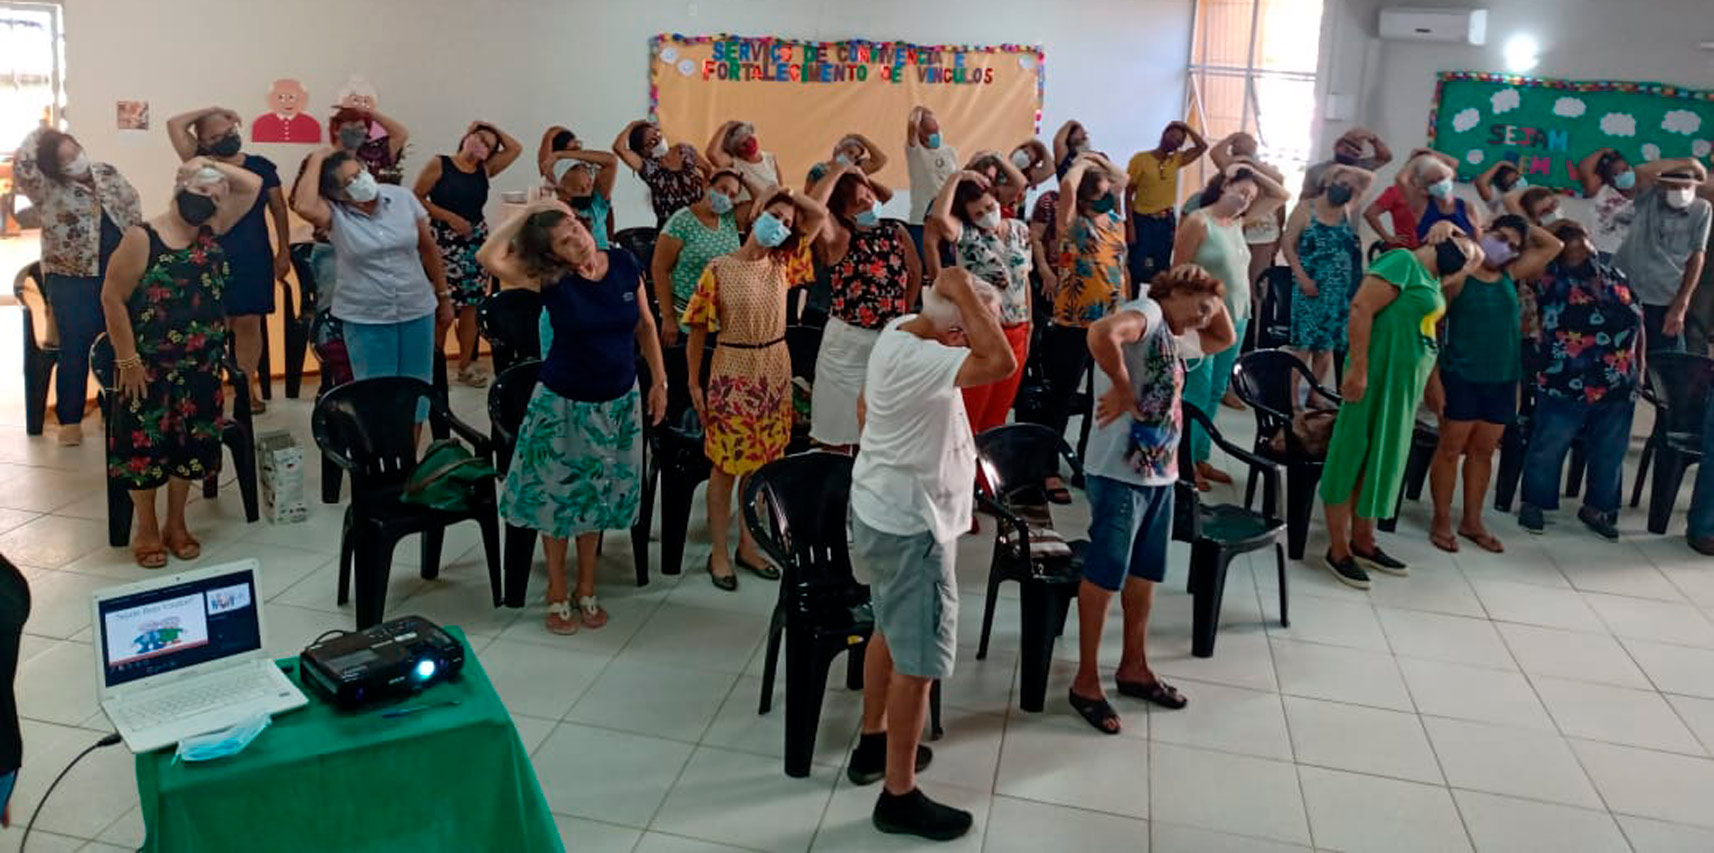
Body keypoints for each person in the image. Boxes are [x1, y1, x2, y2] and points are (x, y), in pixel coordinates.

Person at [846, 268, 1013, 841]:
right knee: (917, 664)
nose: (975, 340)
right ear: (955, 330)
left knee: (889, 630)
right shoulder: (927, 357)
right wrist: (966, 293)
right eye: (970, 329)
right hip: (911, 526)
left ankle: (873, 741)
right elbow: (1003, 362)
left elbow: (866, 409)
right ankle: (898, 796)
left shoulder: (901, 330)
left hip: (882, 507)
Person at [477, 200, 668, 634]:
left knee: (597, 499)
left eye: (577, 231)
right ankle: (557, 590)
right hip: (564, 404)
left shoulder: (622, 262)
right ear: (552, 254)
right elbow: (487, 257)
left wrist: (659, 381)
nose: (577, 241)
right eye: (564, 241)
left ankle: (587, 587)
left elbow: (645, 326)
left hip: (619, 401)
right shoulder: (550, 279)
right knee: (558, 500)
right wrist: (532, 211)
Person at [1069, 264, 1233, 735]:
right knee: (1104, 576)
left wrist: (1211, 293)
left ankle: (1133, 667)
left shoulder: (1176, 332)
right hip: (1119, 474)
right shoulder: (1147, 315)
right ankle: (1084, 682)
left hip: (1158, 475)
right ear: (1174, 293)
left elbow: (1220, 336)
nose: (1204, 319)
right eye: (1199, 307)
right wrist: (1123, 388)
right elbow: (1101, 333)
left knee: (1144, 576)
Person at [100, 157, 262, 567]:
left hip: (201, 364)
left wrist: (211, 166)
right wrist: (128, 360)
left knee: (190, 445)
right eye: (201, 189)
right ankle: (147, 527)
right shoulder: (142, 237)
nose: (206, 200)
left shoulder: (212, 232)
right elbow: (112, 298)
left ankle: (176, 522)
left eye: (215, 196)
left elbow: (254, 185)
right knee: (145, 446)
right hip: (148, 366)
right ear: (180, 184)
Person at [1318, 223, 1478, 588]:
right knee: (1351, 456)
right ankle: (1338, 549)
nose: (1467, 256)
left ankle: (1364, 539)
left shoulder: (1435, 276)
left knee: (1382, 459)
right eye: (1461, 248)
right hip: (1375, 377)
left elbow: (1427, 328)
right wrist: (1358, 368)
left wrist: (1432, 383)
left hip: (1405, 386)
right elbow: (1360, 308)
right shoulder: (1402, 262)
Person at [683, 186, 828, 590]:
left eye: (785, 224)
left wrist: (792, 197)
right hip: (733, 368)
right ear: (755, 214)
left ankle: (749, 542)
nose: (779, 226)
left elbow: (818, 218)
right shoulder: (719, 268)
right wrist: (693, 381)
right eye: (774, 217)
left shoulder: (784, 263)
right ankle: (719, 552)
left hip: (774, 369)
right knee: (725, 465)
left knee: (761, 464)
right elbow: (696, 328)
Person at [1425, 214, 1560, 553]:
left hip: (1502, 378)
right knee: (1451, 448)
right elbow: (1431, 328)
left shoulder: (1510, 276)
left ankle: (1472, 521)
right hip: (1461, 374)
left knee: (1484, 451)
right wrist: (1434, 380)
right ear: (1483, 232)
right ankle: (1441, 520)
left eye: (1513, 246)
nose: (1506, 248)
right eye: (1500, 238)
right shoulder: (1461, 276)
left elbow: (1552, 245)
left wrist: (1521, 220)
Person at [294, 148, 453, 421]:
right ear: (336, 193)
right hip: (366, 316)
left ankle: (407, 459)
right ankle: (381, 458)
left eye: (360, 173)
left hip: (416, 307)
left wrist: (444, 296)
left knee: (417, 393)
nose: (360, 182)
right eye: (349, 181)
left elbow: (428, 248)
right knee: (377, 395)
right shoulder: (334, 214)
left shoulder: (401, 198)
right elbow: (304, 206)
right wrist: (318, 158)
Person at [10, 126, 142, 446]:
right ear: (55, 167)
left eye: (74, 151)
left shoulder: (106, 172)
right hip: (72, 277)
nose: (75, 160)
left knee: (119, 341)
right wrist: (43, 133)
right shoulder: (47, 187)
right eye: (65, 158)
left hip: (117, 271)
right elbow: (22, 165)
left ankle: (115, 407)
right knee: (75, 347)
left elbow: (132, 204)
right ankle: (69, 420)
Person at [1519, 219, 1643, 542]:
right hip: (1565, 379)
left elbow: (1638, 322)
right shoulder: (1547, 279)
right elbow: (1527, 231)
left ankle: (1598, 508)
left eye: (1585, 245)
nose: (1585, 254)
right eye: (1574, 248)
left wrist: (1638, 369)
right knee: (1549, 446)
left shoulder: (1615, 276)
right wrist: (1556, 229)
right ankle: (1535, 503)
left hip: (1617, 382)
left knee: (1610, 452)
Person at [166, 106, 290, 413]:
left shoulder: (261, 166)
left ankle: (246, 389)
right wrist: (213, 110)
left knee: (250, 321)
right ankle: (210, 388)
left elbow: (278, 209)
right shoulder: (200, 164)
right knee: (214, 323)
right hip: (211, 253)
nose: (226, 139)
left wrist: (284, 249)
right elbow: (174, 123)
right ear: (204, 142)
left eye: (229, 132)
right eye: (216, 136)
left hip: (253, 252)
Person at [1173, 163, 1289, 489]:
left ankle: (1200, 456)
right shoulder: (1199, 221)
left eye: (1251, 196)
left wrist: (1251, 170)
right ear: (1224, 185)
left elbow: (1281, 194)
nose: (1245, 200)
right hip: (1202, 319)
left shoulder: (1237, 222)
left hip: (1236, 315)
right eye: (1240, 191)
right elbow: (1177, 271)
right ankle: (1183, 464)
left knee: (1216, 389)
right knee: (1197, 388)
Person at [1035, 153, 1129, 501]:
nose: (1106, 199)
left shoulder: (1114, 222)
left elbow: (1124, 181)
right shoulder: (1073, 226)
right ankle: (1046, 469)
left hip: (1110, 323)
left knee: (1099, 397)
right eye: (1099, 196)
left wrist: (1102, 166)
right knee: (1061, 397)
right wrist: (1080, 165)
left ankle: (1088, 462)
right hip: (1073, 325)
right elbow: (1066, 188)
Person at [810, 163, 920, 451]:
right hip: (845, 344)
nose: (869, 203)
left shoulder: (895, 230)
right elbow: (814, 207)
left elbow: (915, 272)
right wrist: (838, 172)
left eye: (869, 196)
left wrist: (901, 317)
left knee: (877, 430)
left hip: (887, 341)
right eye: (859, 203)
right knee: (836, 431)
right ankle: (834, 490)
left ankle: (864, 492)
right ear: (844, 212)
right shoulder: (839, 237)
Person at [414, 120, 522, 387]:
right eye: (479, 138)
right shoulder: (440, 164)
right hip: (443, 241)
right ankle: (434, 366)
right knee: (443, 305)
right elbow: (417, 196)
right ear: (466, 137)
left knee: (472, 305)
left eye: (488, 145)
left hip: (474, 242)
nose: (481, 145)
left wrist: (489, 126)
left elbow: (515, 148)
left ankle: (465, 365)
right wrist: (448, 217)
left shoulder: (484, 169)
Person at [930, 170, 1034, 435]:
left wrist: (1030, 324)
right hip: (983, 334)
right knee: (970, 412)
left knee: (999, 413)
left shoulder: (1021, 231)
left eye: (989, 207)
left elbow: (1024, 283)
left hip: (1017, 331)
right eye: (978, 213)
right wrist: (956, 176)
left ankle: (988, 473)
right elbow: (941, 216)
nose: (988, 215)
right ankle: (966, 471)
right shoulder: (967, 236)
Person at [1282, 164, 1373, 401]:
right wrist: (1301, 278)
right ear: (1327, 182)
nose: (1346, 190)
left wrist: (1348, 174)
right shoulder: (1305, 209)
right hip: (1309, 286)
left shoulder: (1347, 209)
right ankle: (1291, 396)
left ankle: (1315, 393)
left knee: (1326, 346)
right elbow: (1288, 244)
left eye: (1350, 188)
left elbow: (1369, 178)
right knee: (1303, 345)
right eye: (1342, 184)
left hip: (1339, 291)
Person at [1611, 160, 1710, 353]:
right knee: (1622, 355)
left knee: (1666, 365)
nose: (1680, 192)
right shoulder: (1648, 199)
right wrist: (1689, 162)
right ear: (1662, 186)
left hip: (1666, 297)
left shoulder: (1701, 209)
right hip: (1628, 292)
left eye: (1686, 187)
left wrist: (1681, 304)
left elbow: (1697, 255)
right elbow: (1640, 170)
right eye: (1673, 186)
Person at [652, 170, 756, 345]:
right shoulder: (681, 222)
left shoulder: (730, 218)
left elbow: (765, 201)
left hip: (725, 318)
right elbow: (659, 269)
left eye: (732, 195)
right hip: (689, 318)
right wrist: (668, 318)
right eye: (723, 189)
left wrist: (743, 176)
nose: (726, 197)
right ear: (707, 185)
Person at [1124, 120, 1208, 284]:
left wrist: (1187, 128)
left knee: (1161, 268)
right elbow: (1128, 193)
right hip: (1142, 220)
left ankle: (1158, 305)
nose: (1173, 142)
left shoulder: (1176, 160)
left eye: (1178, 141)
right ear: (1163, 135)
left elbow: (1202, 147)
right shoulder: (1140, 159)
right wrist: (1130, 225)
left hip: (1165, 221)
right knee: (1137, 267)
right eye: (1171, 136)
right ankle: (1132, 304)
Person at [614, 119, 707, 228]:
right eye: (652, 141)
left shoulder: (683, 151)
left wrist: (705, 191)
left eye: (657, 134)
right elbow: (619, 148)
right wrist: (631, 126)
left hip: (700, 222)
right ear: (644, 151)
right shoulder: (651, 168)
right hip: (671, 229)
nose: (659, 140)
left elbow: (708, 169)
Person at [540, 133, 619, 250]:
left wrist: (560, 155)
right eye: (579, 189)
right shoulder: (556, 213)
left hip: (604, 258)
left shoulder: (596, 202)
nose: (587, 191)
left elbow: (611, 160)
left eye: (588, 185)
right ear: (561, 192)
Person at [905, 106, 960, 255]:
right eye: (929, 132)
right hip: (921, 221)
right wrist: (918, 111)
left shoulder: (950, 151)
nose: (935, 134)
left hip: (947, 218)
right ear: (920, 132)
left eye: (936, 130)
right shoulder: (915, 151)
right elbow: (911, 125)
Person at [1577, 147, 1639, 260]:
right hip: (1600, 252)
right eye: (1616, 173)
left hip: (1630, 256)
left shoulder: (1646, 195)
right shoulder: (1601, 191)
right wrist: (1604, 150)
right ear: (1610, 178)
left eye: (1625, 169)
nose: (1622, 174)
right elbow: (1584, 169)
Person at [1302, 127, 1392, 199]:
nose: (1349, 154)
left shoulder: (1360, 168)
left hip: (1344, 218)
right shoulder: (1316, 171)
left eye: (1354, 153)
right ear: (1337, 146)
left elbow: (1385, 157)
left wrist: (1374, 139)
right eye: (1346, 149)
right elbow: (1305, 199)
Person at [1412, 151, 1483, 242]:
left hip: (1465, 253)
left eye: (1441, 178)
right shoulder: (1421, 206)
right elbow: (1402, 179)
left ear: (1450, 176)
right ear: (1425, 188)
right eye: (1432, 182)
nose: (1439, 184)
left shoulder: (1468, 207)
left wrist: (1428, 151)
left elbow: (1478, 242)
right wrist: (1418, 158)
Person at [329, 106, 409, 185]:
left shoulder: (373, 154)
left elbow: (401, 135)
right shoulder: (326, 159)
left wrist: (370, 113)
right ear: (336, 130)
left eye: (361, 127)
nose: (357, 132)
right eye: (351, 125)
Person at [805, 132, 890, 192]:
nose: (851, 158)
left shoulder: (855, 170)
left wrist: (862, 139)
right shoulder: (819, 169)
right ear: (837, 150)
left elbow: (881, 160)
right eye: (850, 152)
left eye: (856, 157)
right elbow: (809, 195)